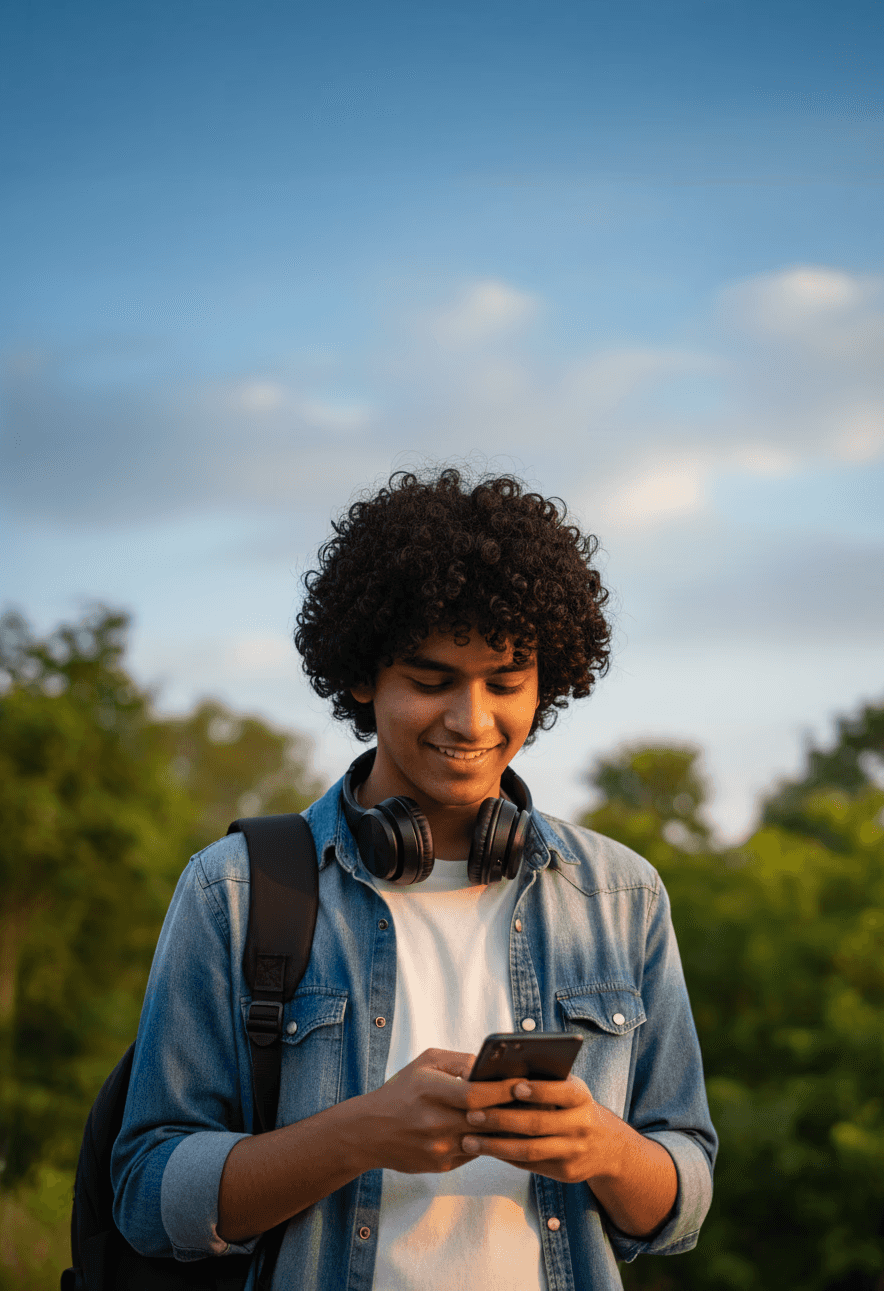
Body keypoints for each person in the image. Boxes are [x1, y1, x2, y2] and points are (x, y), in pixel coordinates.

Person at [112, 468, 717, 1289]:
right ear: (364, 677)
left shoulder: (621, 896)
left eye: (506, 683)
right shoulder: (236, 892)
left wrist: (604, 1147)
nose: (472, 720)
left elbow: (682, 1197)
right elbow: (148, 1191)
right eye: (432, 681)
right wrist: (355, 1135)